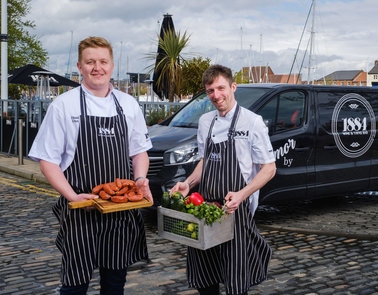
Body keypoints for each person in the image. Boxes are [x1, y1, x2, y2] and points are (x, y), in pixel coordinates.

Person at [29, 36, 153, 295]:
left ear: (112, 65)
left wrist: (140, 179)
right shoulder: (63, 105)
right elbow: (47, 161)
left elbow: (139, 151)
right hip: (80, 209)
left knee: (115, 281)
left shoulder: (128, 104)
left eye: (103, 61)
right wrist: (72, 195)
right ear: (80, 66)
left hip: (120, 210)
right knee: (75, 283)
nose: (97, 67)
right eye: (90, 62)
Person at [170, 64, 276, 295]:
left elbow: (269, 168)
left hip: (235, 211)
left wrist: (242, 194)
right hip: (204, 209)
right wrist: (188, 184)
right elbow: (205, 160)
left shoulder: (253, 122)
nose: (216, 96)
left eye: (220, 88)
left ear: (233, 87)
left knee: (235, 279)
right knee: (205, 277)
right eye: (210, 91)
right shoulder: (206, 121)